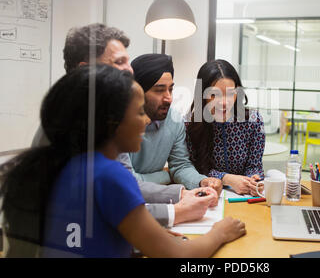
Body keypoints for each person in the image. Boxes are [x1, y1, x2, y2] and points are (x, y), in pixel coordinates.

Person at [0, 65, 245, 258]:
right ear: (111, 122)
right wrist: (219, 233)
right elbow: (178, 254)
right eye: (139, 112)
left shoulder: (68, 167)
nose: (147, 122)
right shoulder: (109, 175)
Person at [30, 23, 216, 228]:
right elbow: (117, 199)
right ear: (85, 72)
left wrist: (182, 193)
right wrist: (176, 211)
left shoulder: (101, 118)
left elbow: (121, 189)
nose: (129, 70)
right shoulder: (71, 124)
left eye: (127, 61)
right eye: (119, 62)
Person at [128, 54, 223, 194]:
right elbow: (127, 181)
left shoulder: (174, 119)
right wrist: (166, 175)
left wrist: (202, 181)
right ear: (138, 92)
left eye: (171, 89)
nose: (169, 98)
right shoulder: (119, 123)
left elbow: (180, 166)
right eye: (159, 90)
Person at [185, 59, 265, 196]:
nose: (224, 103)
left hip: (244, 197)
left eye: (230, 93)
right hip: (209, 196)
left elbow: (254, 165)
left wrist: (253, 180)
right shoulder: (190, 124)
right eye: (214, 95)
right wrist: (227, 179)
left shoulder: (253, 121)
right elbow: (192, 169)